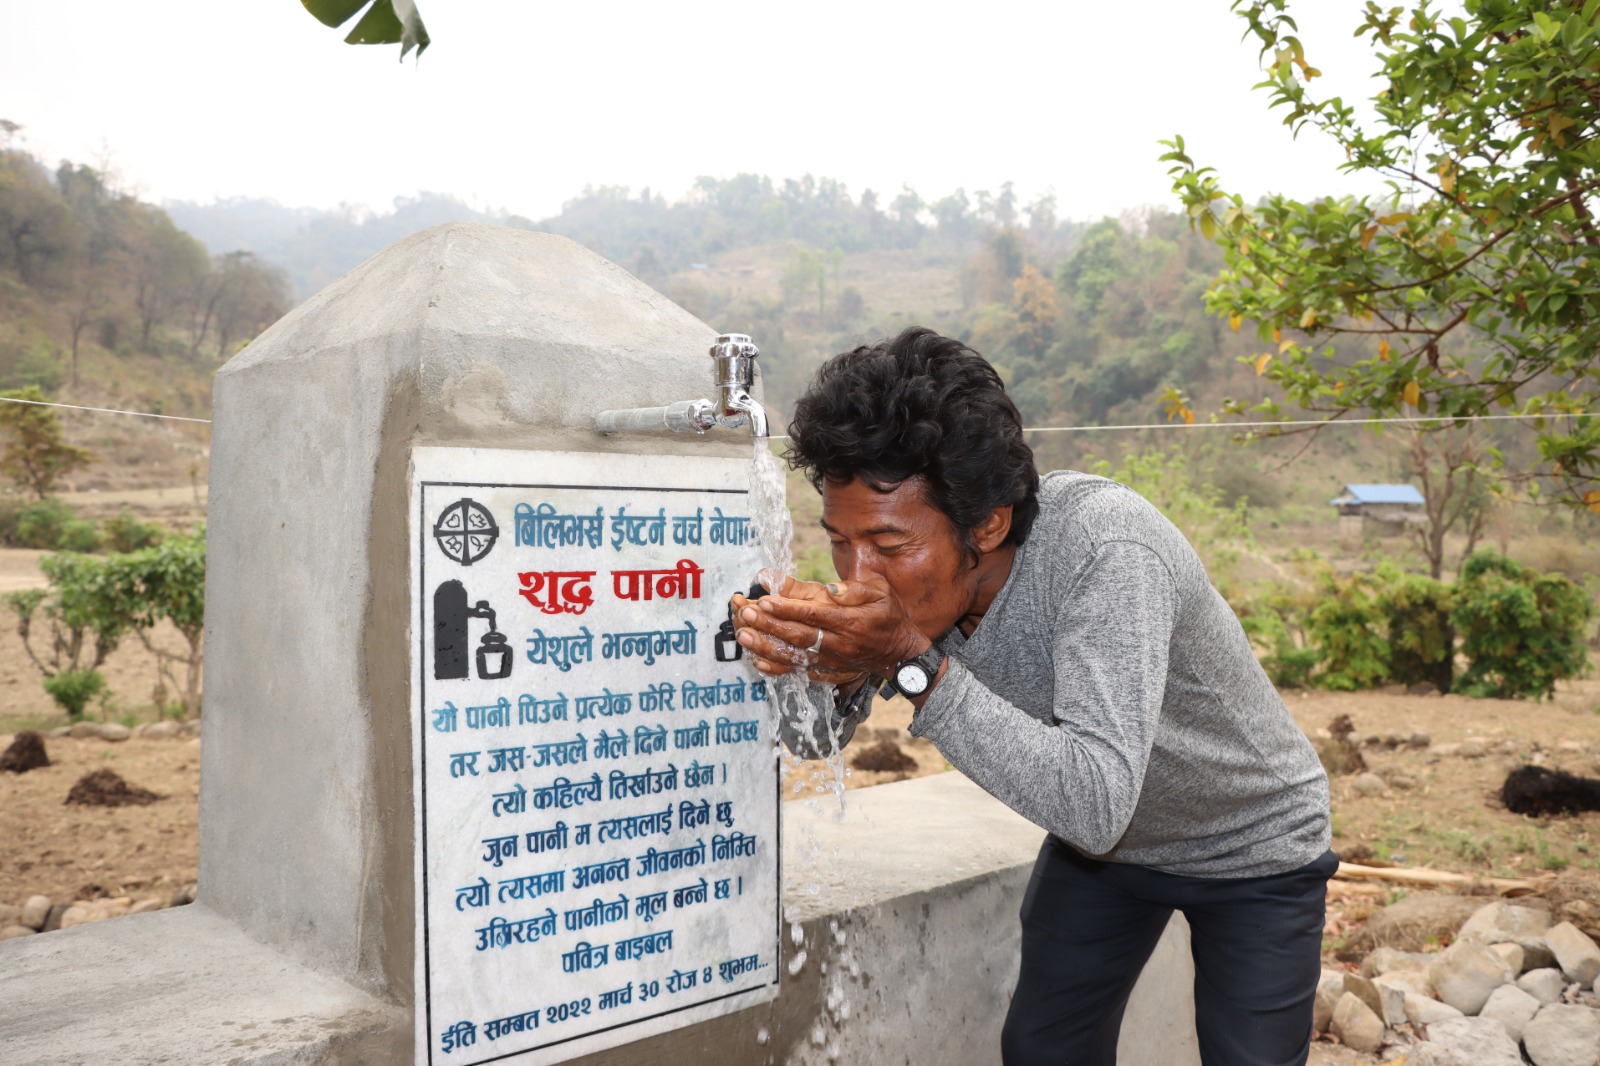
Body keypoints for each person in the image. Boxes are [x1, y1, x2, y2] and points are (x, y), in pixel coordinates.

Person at [732, 327, 1333, 1066]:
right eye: (838, 541)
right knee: (1045, 1049)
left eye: (889, 547)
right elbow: (812, 742)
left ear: (988, 522)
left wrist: (906, 659)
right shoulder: (914, 599)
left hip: (1252, 845)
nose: (861, 577)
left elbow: (1094, 800)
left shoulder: (1106, 549)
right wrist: (809, 662)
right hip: (1106, 857)